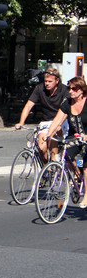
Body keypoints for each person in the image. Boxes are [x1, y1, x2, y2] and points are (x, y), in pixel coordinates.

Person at [45, 77, 87, 207]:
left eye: (74, 89)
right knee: (66, 153)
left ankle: (86, 196)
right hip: (74, 137)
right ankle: (76, 174)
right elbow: (57, 120)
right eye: (69, 88)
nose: (71, 91)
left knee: (86, 166)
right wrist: (48, 134)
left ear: (82, 90)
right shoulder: (67, 103)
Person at [15, 67, 69, 163]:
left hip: (61, 121)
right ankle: (45, 171)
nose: (47, 83)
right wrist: (21, 122)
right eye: (45, 81)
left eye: (50, 81)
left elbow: (67, 110)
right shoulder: (40, 88)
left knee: (52, 137)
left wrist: (59, 124)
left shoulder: (64, 89)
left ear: (57, 81)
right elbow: (28, 106)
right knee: (41, 147)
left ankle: (54, 164)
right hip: (46, 121)